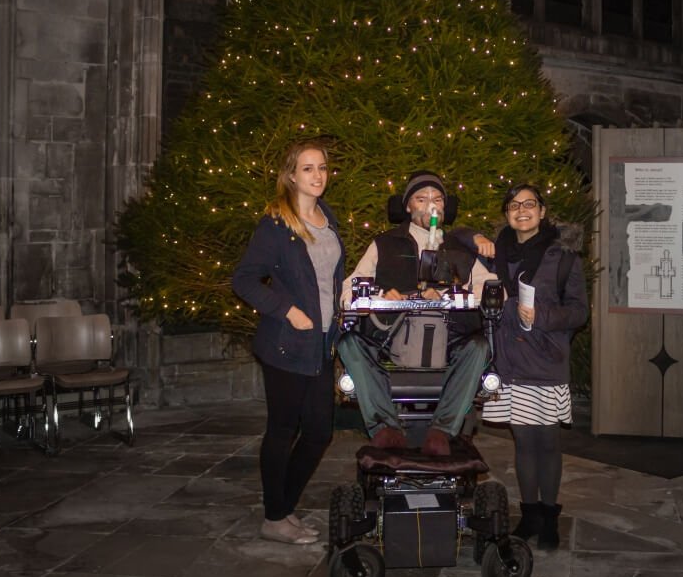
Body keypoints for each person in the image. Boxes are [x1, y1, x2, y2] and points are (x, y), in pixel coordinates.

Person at [232, 140, 344, 545]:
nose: (317, 176)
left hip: (320, 345)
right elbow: (243, 279)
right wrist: (287, 310)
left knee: (318, 433)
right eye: (308, 168)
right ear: (291, 175)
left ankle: (284, 507)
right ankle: (275, 517)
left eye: (323, 168)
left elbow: (326, 280)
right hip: (286, 345)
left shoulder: (326, 216)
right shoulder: (276, 224)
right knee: (282, 430)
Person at [338, 171, 494, 456]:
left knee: (479, 347)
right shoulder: (384, 244)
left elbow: (494, 288)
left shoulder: (459, 249)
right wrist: (380, 294)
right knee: (349, 343)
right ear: (408, 206)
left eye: (437, 200)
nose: (431, 206)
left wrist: (450, 294)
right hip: (391, 339)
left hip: (449, 339)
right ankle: (385, 427)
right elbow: (350, 288)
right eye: (421, 199)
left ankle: (442, 430)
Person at [480, 184, 588, 550]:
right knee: (523, 440)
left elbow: (579, 311)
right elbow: (455, 242)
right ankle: (529, 515)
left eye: (530, 204)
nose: (521, 210)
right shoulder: (496, 254)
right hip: (510, 358)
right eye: (514, 205)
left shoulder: (564, 256)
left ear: (542, 211)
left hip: (546, 356)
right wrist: (473, 236)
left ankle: (549, 517)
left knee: (547, 440)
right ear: (507, 213)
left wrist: (542, 315)